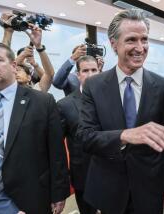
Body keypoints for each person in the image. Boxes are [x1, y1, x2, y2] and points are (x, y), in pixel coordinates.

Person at [77, 9, 164, 214]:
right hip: (108, 187)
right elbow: (85, 137)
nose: (140, 48)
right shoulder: (94, 85)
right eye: (131, 40)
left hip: (149, 188)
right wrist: (124, 136)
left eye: (144, 39)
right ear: (114, 44)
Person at [0, 41, 70, 214]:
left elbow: (56, 152)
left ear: (13, 65)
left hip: (32, 197)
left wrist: (58, 193)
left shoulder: (43, 102)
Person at [57, 56, 100, 214]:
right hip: (83, 175)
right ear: (77, 74)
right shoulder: (65, 105)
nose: (90, 75)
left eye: (94, 70)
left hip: (113, 173)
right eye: (85, 70)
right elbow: (57, 147)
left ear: (99, 71)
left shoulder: (114, 99)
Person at [0, 12, 54, 92]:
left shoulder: (35, 91)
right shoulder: (4, 90)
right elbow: (2, 64)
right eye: (14, 71)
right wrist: (8, 32)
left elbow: (49, 74)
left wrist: (39, 47)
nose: (16, 73)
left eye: (18, 70)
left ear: (29, 77)